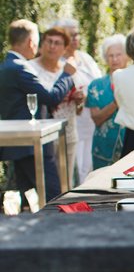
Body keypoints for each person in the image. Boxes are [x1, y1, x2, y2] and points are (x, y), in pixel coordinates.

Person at [0, 19, 76, 206]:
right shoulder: (21, 68)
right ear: (31, 42)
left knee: (26, 202)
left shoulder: (5, 66)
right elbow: (51, 97)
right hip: (30, 143)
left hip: (16, 143)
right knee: (54, 196)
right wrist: (67, 75)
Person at [29, 27, 84, 180]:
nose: (52, 46)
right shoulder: (31, 68)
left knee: (65, 181)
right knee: (45, 182)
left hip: (68, 132)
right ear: (42, 44)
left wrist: (79, 100)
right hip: (43, 134)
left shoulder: (69, 68)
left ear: (65, 48)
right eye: (49, 41)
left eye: (57, 43)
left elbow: (79, 108)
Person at [54, 18, 103, 182]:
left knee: (90, 170)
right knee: (73, 173)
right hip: (71, 126)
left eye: (77, 34)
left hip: (94, 123)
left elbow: (99, 84)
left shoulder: (86, 58)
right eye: (71, 35)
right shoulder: (56, 62)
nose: (75, 38)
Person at [85, 34, 128, 169]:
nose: (115, 59)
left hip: (131, 144)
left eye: (119, 55)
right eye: (110, 55)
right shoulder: (96, 85)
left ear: (127, 55)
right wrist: (115, 103)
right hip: (104, 147)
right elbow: (96, 118)